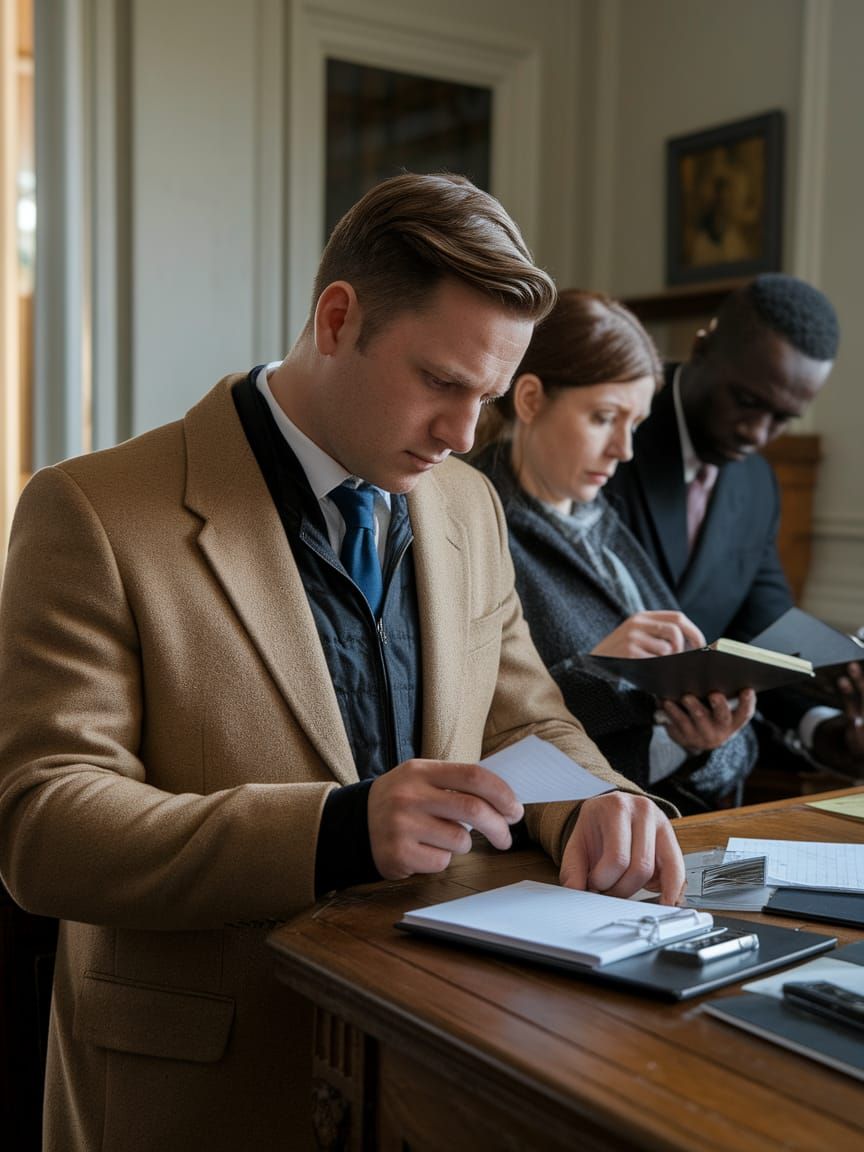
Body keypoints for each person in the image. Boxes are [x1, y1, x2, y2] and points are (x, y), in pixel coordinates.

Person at [0, 173, 685, 1152]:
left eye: (488, 399)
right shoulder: (92, 510)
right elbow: (42, 825)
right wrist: (336, 831)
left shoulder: (465, 504)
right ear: (336, 318)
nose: (462, 435)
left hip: (437, 1062)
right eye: (442, 383)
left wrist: (594, 805)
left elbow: (523, 719)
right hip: (202, 1093)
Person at [472, 289, 757, 815]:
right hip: (547, 848)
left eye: (635, 425)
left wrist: (706, 741)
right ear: (530, 399)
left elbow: (735, 755)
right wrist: (603, 669)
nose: (624, 450)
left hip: (658, 832)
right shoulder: (471, 522)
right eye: (604, 418)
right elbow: (475, 726)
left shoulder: (605, 520)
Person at [605, 273, 864, 774]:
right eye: (746, 401)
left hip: (696, 776)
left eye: (782, 417)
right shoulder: (613, 434)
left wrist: (826, 724)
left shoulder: (758, 485)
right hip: (590, 762)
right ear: (702, 348)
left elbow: (765, 640)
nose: (756, 433)